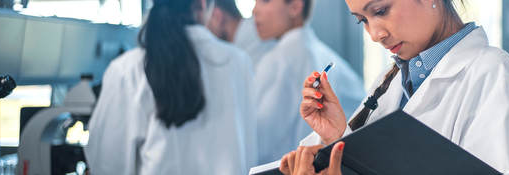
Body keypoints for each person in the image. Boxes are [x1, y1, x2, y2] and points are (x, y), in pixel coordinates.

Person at [280, 0, 509, 174]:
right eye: (363, 20)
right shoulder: (389, 82)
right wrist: (336, 139)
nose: (374, 34)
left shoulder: (498, 78)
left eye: (380, 11)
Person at [84, 0, 257, 174]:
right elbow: (249, 150)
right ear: (203, 4)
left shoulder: (128, 69)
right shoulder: (239, 62)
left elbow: (107, 163)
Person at [252, 0, 366, 164]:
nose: (255, 10)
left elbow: (259, 141)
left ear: (295, 7)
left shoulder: (279, 61)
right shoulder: (328, 58)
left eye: (264, 1)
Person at [206, 0, 277, 67]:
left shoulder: (257, 35)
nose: (205, 32)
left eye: (206, 26)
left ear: (218, 16)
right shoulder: (248, 33)